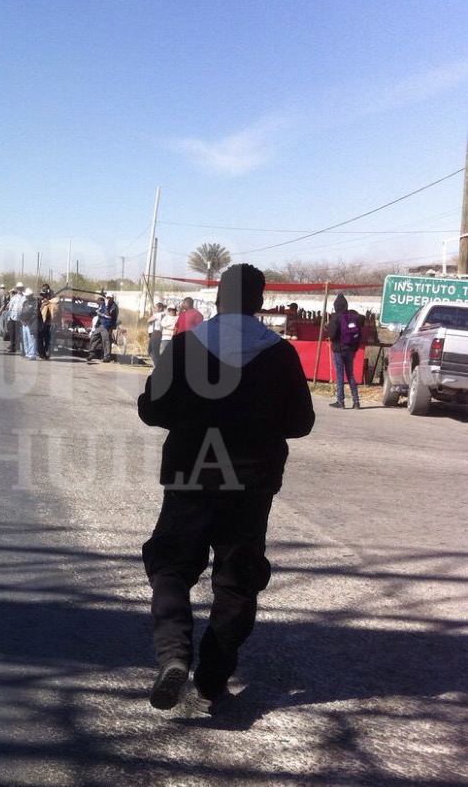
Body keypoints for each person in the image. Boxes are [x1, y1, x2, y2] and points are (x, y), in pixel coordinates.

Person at [137, 263, 315, 713]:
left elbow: (152, 410)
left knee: (171, 566)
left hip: (190, 475)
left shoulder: (185, 346)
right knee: (238, 581)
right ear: (259, 302)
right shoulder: (280, 354)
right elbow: (300, 422)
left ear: (218, 299)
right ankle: (212, 679)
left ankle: (174, 655)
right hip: (252, 484)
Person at [326, 293, 363, 409]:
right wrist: (354, 348)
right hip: (350, 350)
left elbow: (332, 335)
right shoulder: (354, 317)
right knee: (350, 374)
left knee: (340, 376)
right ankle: (356, 402)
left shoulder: (336, 318)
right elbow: (359, 335)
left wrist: (328, 328)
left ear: (336, 306)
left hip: (339, 350)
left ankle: (340, 401)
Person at [87, 291, 118, 363]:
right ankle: (92, 353)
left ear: (112, 298)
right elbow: (99, 312)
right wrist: (103, 315)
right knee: (94, 337)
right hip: (101, 324)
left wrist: (106, 307)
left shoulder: (114, 306)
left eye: (109, 298)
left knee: (106, 341)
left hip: (107, 326)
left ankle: (107, 357)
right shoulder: (103, 304)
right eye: (107, 298)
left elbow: (108, 314)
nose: (108, 299)